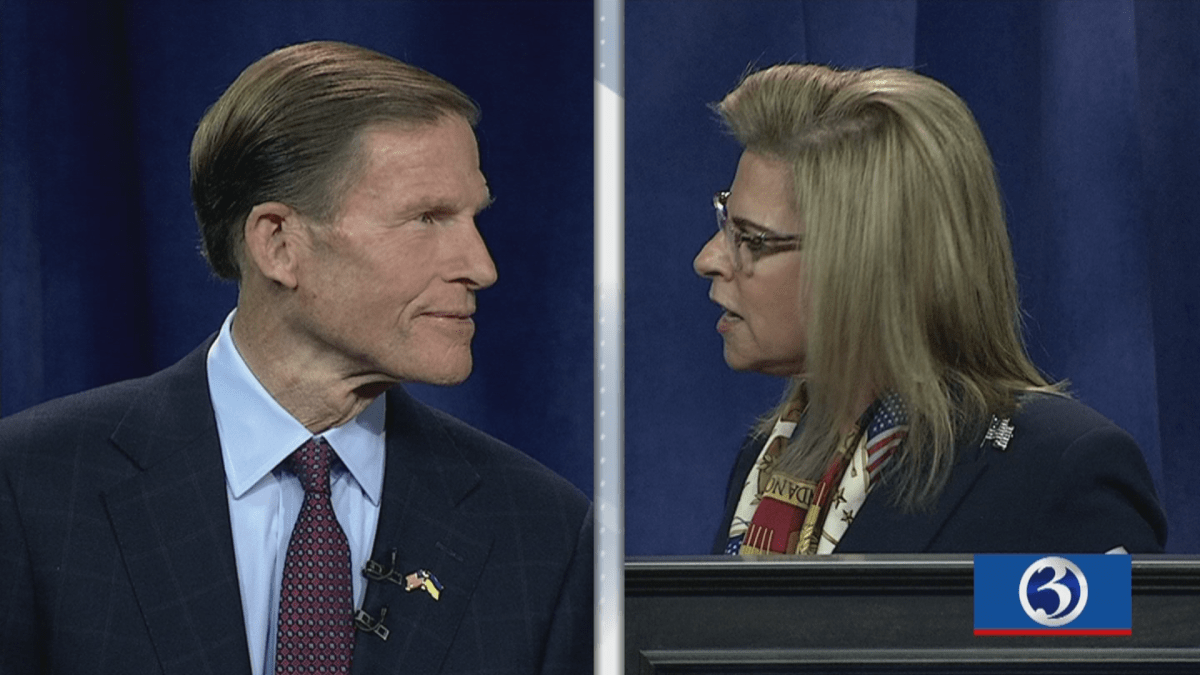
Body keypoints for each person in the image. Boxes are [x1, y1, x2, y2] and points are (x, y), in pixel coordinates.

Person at [0, 41, 591, 674]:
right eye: (427, 218)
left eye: (473, 218)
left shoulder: (540, 531)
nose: (482, 266)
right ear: (279, 243)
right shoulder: (34, 489)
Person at [694, 64, 1166, 556]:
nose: (708, 259)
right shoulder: (768, 459)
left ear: (866, 263)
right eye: (724, 221)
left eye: (749, 238)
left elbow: (1067, 622)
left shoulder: (1054, 475)